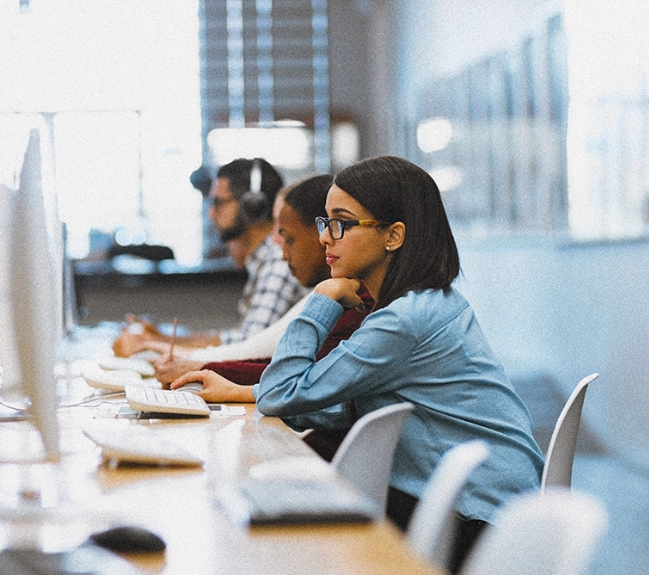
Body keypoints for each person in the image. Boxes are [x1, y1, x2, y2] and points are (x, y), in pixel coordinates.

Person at [172, 156, 545, 573]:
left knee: (267, 534)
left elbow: (283, 394)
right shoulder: (419, 304)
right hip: (487, 502)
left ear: (394, 236)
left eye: (341, 223)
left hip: (475, 518)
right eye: (324, 223)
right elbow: (347, 401)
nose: (326, 239)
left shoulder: (404, 320)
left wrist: (321, 301)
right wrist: (248, 392)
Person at [113, 158, 308, 355]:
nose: (211, 214)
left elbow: (247, 347)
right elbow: (239, 338)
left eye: (218, 202)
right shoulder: (264, 262)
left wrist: (154, 343)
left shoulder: (278, 263)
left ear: (251, 206)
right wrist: (162, 338)